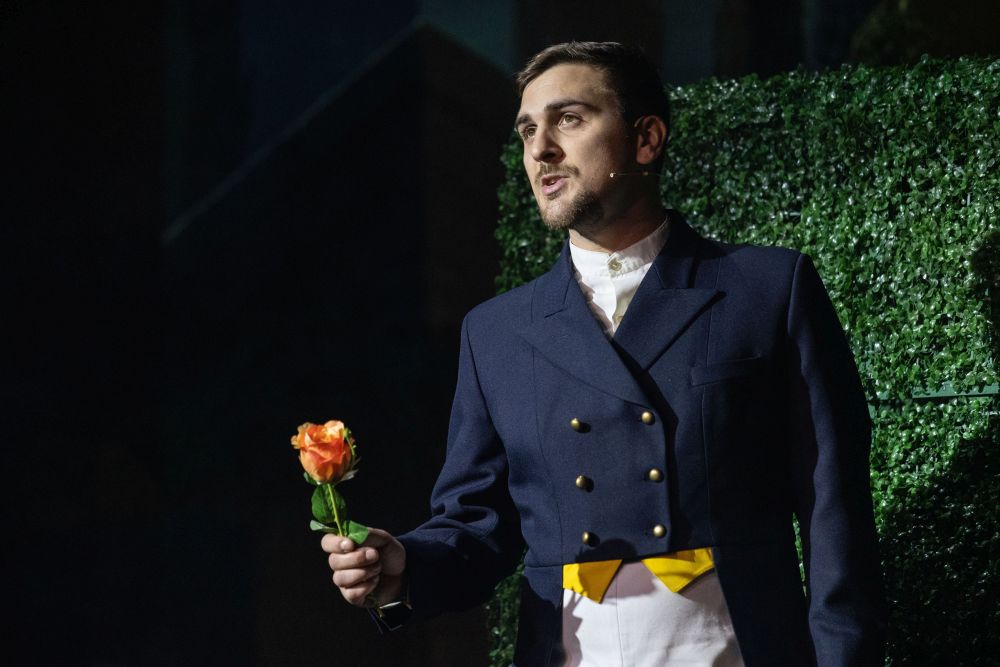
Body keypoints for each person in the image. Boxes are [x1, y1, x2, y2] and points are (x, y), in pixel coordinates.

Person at [322, 41, 886, 666]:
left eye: (568, 119)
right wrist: (404, 566)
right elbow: (476, 526)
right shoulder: (496, 331)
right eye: (527, 130)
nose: (540, 148)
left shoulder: (766, 290)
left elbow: (834, 508)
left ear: (646, 139)